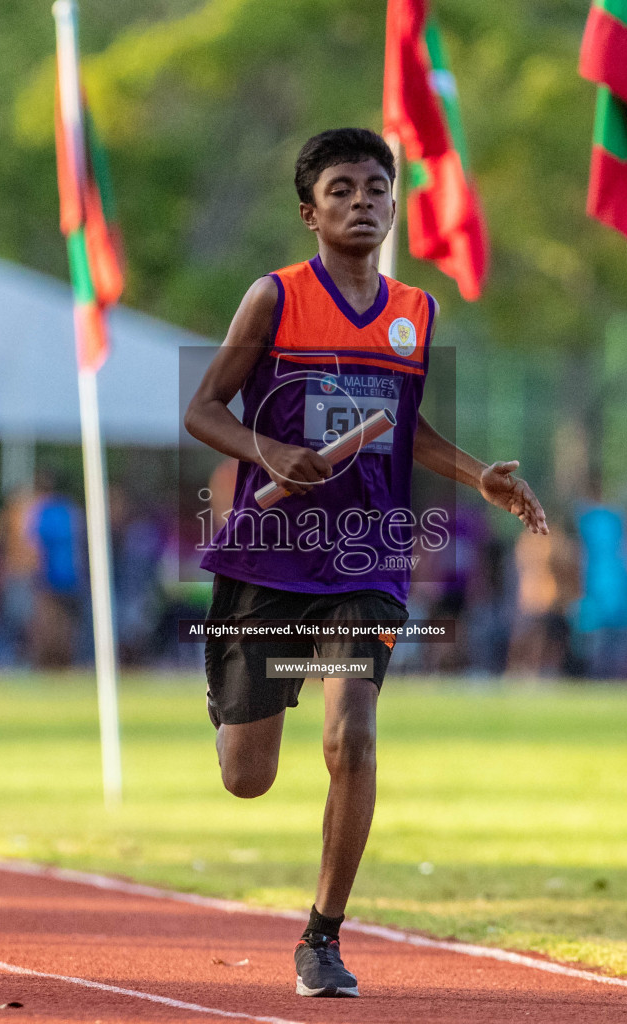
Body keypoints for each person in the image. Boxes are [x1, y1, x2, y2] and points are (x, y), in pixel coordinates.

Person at [183, 127, 547, 998]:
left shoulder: (415, 313)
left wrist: (478, 475)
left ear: (394, 204)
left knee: (352, 736)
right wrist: (269, 451)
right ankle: (236, 688)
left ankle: (323, 937)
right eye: (341, 188)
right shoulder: (272, 299)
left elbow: (406, 424)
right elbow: (203, 409)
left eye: (377, 187)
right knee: (248, 776)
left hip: (366, 561)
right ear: (309, 212)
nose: (363, 201)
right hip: (270, 559)